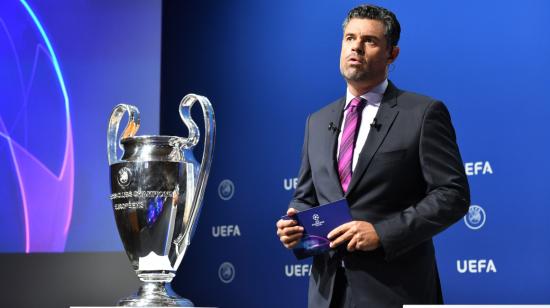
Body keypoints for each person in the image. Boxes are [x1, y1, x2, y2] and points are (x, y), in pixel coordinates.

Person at [276, 4, 470, 308]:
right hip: (327, 293)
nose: (356, 46)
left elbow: (452, 194)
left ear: (392, 54)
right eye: (350, 38)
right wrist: (295, 226)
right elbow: (305, 197)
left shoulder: (423, 114)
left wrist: (382, 233)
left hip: (395, 290)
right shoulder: (316, 120)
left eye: (370, 40)